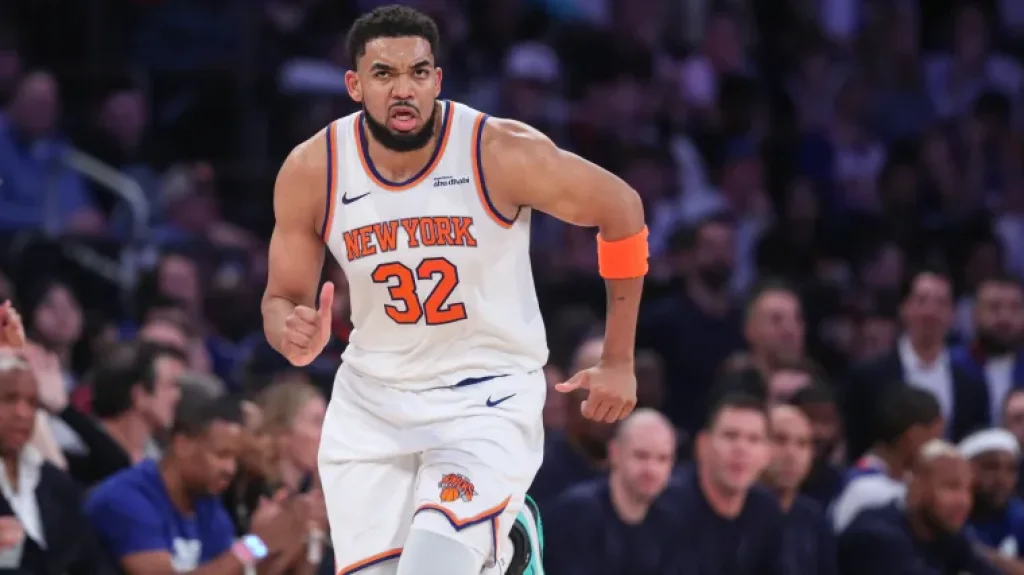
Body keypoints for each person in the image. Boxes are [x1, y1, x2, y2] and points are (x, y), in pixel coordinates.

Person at [260, 5, 647, 575]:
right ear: (354, 85)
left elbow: (622, 210)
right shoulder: (313, 168)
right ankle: (502, 556)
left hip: (482, 398)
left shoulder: (497, 151)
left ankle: (502, 544)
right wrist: (291, 334)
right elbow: (281, 299)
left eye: (418, 72)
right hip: (372, 403)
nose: (404, 89)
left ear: (437, 79)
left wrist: (618, 359)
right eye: (384, 73)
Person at [84, 390, 313, 574]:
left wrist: (297, 534)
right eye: (221, 455)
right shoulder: (125, 499)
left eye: (235, 459)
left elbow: (235, 570)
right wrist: (255, 544)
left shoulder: (206, 503)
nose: (230, 469)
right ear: (183, 445)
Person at [543, 409, 678, 575]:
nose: (651, 469)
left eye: (662, 459)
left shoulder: (669, 523)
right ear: (615, 453)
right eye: (641, 456)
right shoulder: (575, 513)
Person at [836, 440, 999, 574]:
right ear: (916, 487)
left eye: (969, 489)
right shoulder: (875, 535)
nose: (964, 501)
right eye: (951, 487)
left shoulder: (945, 532)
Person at [668, 393, 784, 574]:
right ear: (703, 445)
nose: (741, 449)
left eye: (753, 439)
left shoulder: (767, 509)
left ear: (768, 454)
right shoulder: (668, 506)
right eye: (730, 436)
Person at [831, 386, 943, 532]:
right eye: (935, 438)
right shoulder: (865, 490)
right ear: (914, 435)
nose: (939, 446)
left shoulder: (906, 479)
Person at [762, 405, 837, 575]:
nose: (791, 454)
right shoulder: (733, 513)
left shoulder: (816, 520)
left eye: (802, 444)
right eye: (780, 440)